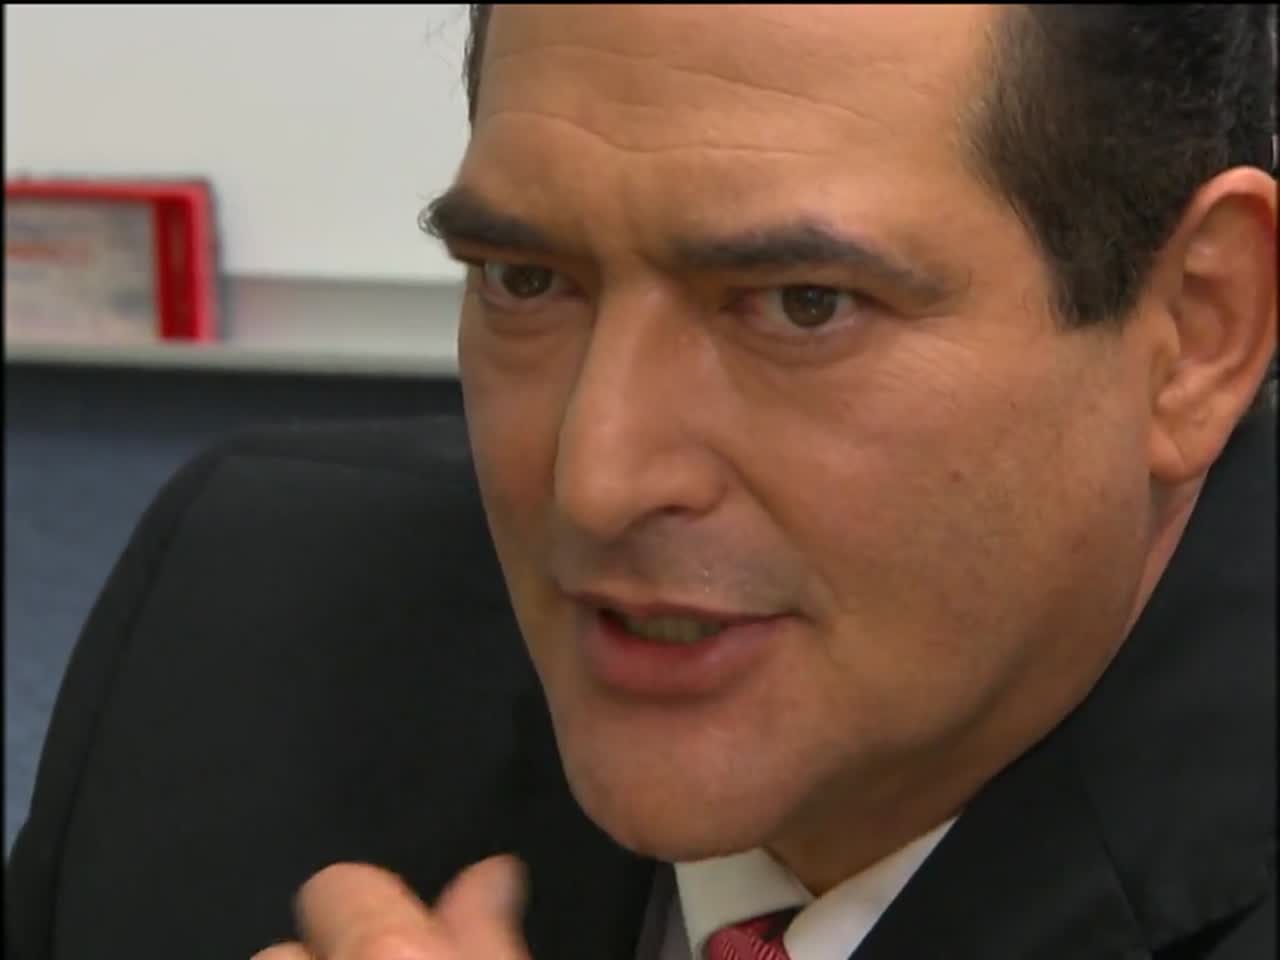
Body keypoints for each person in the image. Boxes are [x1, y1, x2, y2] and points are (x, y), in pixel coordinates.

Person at [8, 5, 1275, 960]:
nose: (594, 481)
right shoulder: (251, 613)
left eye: (801, 305)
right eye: (524, 280)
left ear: (1193, 333)